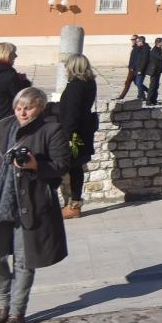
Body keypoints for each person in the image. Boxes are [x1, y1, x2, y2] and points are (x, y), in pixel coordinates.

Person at [0, 86, 70, 323]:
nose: (22, 112)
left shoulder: (51, 130)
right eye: (18, 107)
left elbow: (62, 165)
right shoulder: (2, 127)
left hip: (32, 204)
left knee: (24, 261)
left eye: (28, 108)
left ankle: (16, 313)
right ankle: (5, 301)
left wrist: (35, 165)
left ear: (40, 108)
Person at [57, 54, 99, 219]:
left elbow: (72, 114)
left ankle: (73, 205)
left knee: (71, 168)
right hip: (83, 131)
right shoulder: (89, 83)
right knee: (76, 167)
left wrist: (67, 136)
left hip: (74, 134)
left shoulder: (75, 86)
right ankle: (73, 204)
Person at [118, 36, 148, 100]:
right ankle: (145, 94)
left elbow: (141, 60)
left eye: (133, 39)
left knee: (133, 83)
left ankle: (122, 97)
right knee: (137, 83)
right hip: (132, 69)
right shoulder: (135, 48)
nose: (132, 41)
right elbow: (132, 59)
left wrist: (138, 69)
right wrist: (130, 67)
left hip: (136, 69)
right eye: (131, 39)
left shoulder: (141, 48)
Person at [144, 37, 162, 106]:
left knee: (156, 86)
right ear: (158, 43)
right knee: (152, 86)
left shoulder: (158, 49)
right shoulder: (155, 50)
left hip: (157, 70)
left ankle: (154, 100)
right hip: (154, 71)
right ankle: (148, 101)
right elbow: (161, 58)